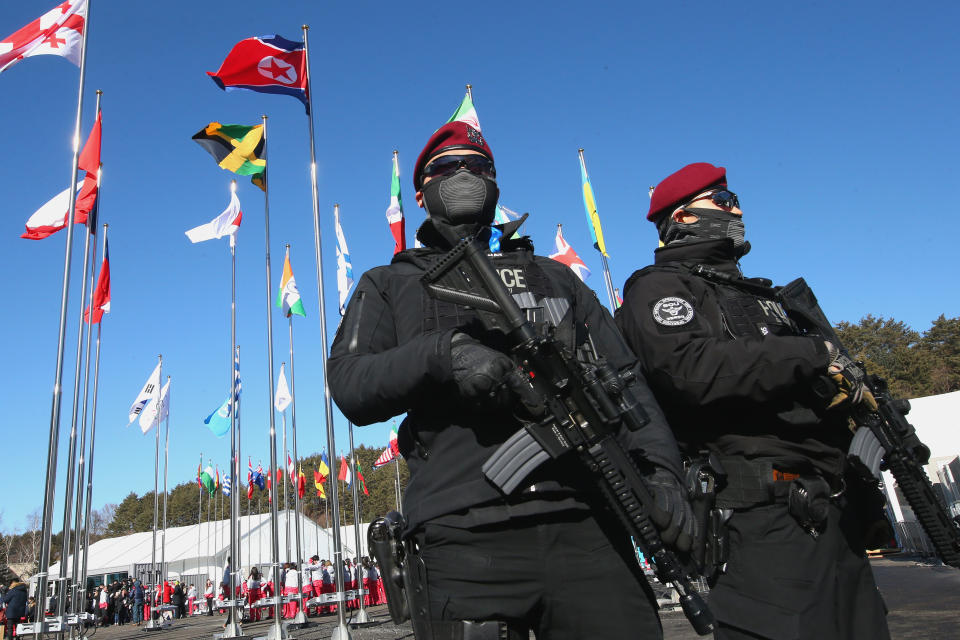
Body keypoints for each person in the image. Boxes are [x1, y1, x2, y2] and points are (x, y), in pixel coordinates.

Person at [328, 120, 693, 639]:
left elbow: (627, 382)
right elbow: (349, 382)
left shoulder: (556, 276)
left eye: (476, 166)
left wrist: (661, 472)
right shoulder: (390, 282)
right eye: (446, 167)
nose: (463, 174)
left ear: (496, 185)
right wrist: (443, 356)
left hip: (589, 520)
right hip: (464, 531)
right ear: (420, 192)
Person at [615, 162, 892, 640]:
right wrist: (810, 354)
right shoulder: (660, 287)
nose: (736, 208)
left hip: (833, 509)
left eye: (734, 199)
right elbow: (689, 370)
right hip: (760, 516)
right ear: (681, 217)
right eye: (722, 201)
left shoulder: (766, 296)